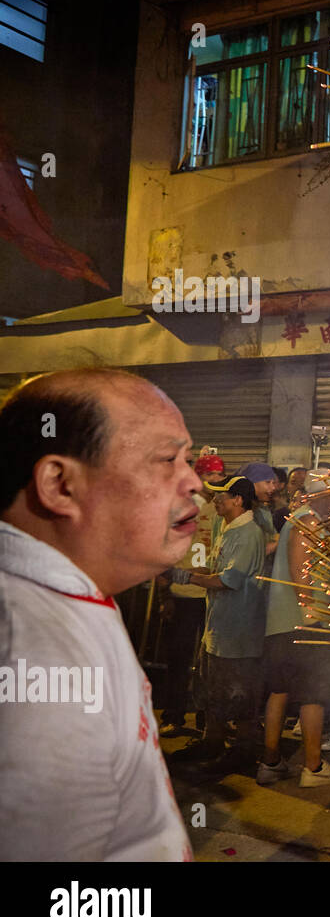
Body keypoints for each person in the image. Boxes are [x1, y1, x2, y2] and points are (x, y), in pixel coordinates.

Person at [0, 367, 193, 860]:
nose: (193, 482)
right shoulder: (36, 653)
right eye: (167, 460)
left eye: (188, 459)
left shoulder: (68, 597)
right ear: (60, 484)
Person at [257, 470, 330, 788]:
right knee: (313, 695)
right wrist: (315, 613)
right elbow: (301, 573)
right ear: (321, 495)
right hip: (305, 623)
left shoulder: (299, 519)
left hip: (282, 622)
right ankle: (313, 767)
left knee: (280, 691)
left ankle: (271, 763)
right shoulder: (308, 521)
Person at [172, 475, 266, 770]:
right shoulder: (226, 527)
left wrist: (187, 576)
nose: (215, 501)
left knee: (239, 694)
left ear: (238, 499)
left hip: (238, 632)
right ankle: (212, 742)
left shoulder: (249, 534)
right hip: (219, 627)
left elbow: (227, 580)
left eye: (221, 496)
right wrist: (186, 571)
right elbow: (216, 569)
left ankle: (243, 749)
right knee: (214, 690)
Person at [158, 457, 222, 735]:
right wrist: (165, 595)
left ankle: (206, 717)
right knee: (179, 658)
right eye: (212, 474)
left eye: (221, 475)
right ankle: (174, 714)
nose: (218, 480)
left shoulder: (223, 507)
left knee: (211, 660)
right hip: (184, 593)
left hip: (213, 595)